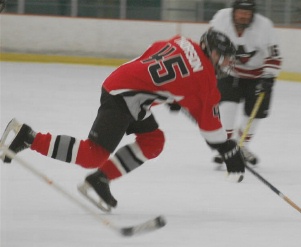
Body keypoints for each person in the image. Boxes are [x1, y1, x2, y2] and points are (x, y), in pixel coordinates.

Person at [0, 29, 247, 212]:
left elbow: (154, 51)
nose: (225, 64)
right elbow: (211, 128)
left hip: (127, 84)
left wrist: (172, 92)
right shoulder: (204, 81)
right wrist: (227, 149)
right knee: (92, 155)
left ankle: (100, 179)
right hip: (125, 97)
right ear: (209, 50)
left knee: (153, 141)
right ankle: (29, 137)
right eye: (222, 57)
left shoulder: (183, 41)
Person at [209, 0, 282, 166]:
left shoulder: (264, 26)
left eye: (248, 13)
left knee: (254, 114)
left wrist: (269, 77)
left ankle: (241, 146)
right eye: (240, 12)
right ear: (233, 11)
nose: (243, 16)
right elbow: (210, 41)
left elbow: (274, 54)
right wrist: (216, 60)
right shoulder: (221, 18)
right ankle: (227, 147)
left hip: (259, 75)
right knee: (227, 107)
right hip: (230, 73)